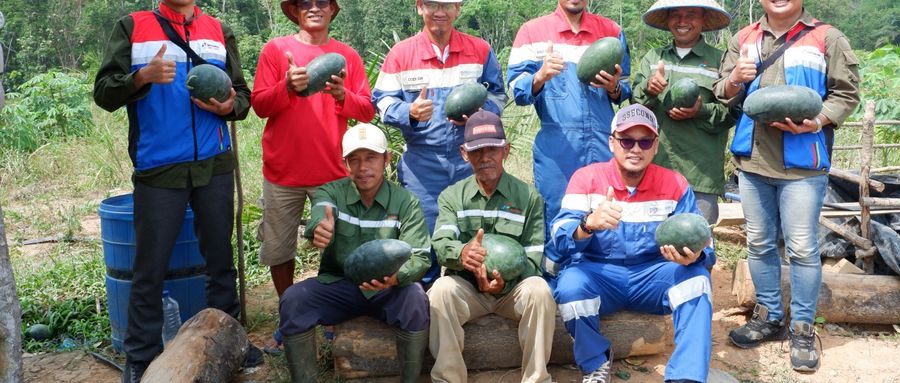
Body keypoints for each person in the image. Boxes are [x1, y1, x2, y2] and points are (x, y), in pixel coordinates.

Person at [93, 0, 261, 382]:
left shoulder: (217, 30)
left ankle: (231, 341)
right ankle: (140, 356)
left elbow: (243, 97)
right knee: (150, 266)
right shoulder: (133, 27)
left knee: (220, 259)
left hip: (214, 164)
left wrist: (228, 106)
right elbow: (105, 93)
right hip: (158, 166)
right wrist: (141, 78)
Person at [715, 0, 860, 373]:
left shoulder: (827, 38)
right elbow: (724, 92)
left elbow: (846, 93)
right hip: (754, 159)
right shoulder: (743, 38)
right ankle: (769, 316)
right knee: (759, 242)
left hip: (803, 163)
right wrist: (735, 79)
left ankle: (801, 326)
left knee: (801, 246)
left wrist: (817, 120)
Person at [550, 104, 714, 383]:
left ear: (655, 146)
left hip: (654, 274)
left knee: (697, 280)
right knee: (570, 285)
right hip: (599, 273)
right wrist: (587, 224)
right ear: (612, 142)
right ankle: (595, 364)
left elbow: (703, 241)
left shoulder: (675, 184)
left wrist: (695, 256)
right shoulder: (586, 178)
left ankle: (685, 376)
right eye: (626, 140)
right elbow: (559, 235)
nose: (635, 149)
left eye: (644, 141)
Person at [506, 0, 631, 276]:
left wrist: (616, 88)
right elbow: (516, 91)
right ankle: (551, 290)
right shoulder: (532, 33)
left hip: (604, 145)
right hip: (556, 148)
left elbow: (627, 90)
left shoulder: (611, 31)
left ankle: (598, 286)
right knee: (557, 216)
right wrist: (539, 77)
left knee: (603, 213)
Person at [251, 0, 374, 299]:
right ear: (295, 11)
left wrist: (341, 95)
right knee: (279, 247)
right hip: (282, 172)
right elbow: (260, 105)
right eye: (306, 3)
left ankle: (331, 312)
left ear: (332, 9)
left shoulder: (346, 56)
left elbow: (366, 111)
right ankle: (287, 308)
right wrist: (287, 87)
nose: (314, 8)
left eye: (321, 2)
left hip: (332, 173)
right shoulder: (276, 50)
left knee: (336, 246)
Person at [277, 123, 431, 383]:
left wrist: (398, 277)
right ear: (345, 163)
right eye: (354, 160)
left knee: (416, 300)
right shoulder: (332, 192)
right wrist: (319, 228)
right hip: (341, 286)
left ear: (386, 159)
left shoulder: (406, 202)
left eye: (371, 158)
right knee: (294, 299)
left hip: (388, 290)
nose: (363, 168)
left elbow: (421, 256)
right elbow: (321, 210)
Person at [372, 0, 507, 234]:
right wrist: (408, 112)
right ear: (419, 6)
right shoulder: (400, 54)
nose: (439, 12)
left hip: (470, 159)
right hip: (422, 165)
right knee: (424, 241)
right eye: (432, 4)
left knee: (475, 238)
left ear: (458, 8)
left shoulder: (479, 50)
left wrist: (482, 113)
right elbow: (382, 102)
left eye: (447, 5)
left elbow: (499, 95)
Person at [428, 110, 555, 383]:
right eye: (477, 151)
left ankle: (537, 379)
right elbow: (441, 244)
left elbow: (532, 259)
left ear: (505, 150)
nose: (485, 157)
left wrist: (504, 284)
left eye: (493, 149)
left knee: (540, 290)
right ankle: (448, 379)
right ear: (464, 153)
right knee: (440, 290)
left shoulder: (528, 197)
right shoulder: (452, 197)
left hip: (511, 293)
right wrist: (461, 254)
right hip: (468, 289)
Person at [632, 0, 735, 224]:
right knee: (651, 244)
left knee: (697, 245)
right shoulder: (653, 58)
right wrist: (648, 88)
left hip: (699, 173)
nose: (682, 21)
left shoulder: (720, 61)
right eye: (676, 15)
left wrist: (700, 112)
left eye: (691, 15)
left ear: (703, 20)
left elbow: (730, 114)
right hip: (654, 169)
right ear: (667, 20)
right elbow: (635, 106)